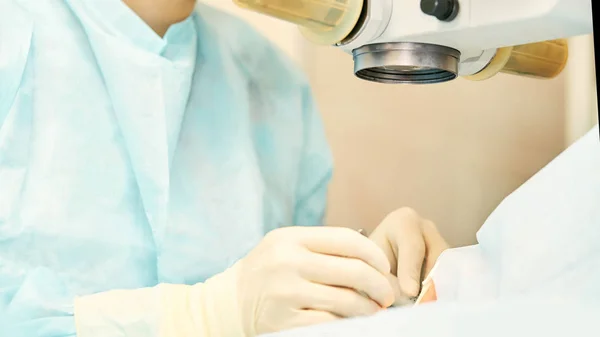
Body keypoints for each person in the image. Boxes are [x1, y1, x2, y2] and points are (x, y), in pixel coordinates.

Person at [0, 0, 450, 336]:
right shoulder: (14, 37)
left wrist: (366, 284)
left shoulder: (269, 78)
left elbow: (277, 304)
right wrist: (204, 314)